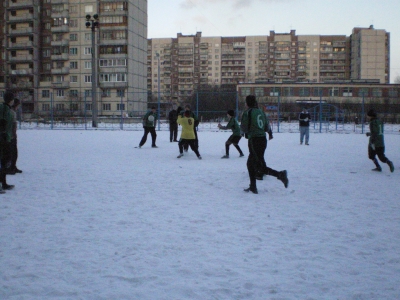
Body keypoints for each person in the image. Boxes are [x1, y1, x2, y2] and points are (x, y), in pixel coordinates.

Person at [240, 95, 288, 194]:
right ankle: (253, 186)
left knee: (258, 166)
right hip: (262, 140)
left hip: (254, 140)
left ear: (247, 103)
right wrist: (270, 133)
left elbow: (244, 128)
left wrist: (241, 133)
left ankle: (280, 174)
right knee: (250, 164)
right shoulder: (261, 112)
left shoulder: (248, 113)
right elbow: (267, 125)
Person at [0, 91, 16, 193]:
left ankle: (4, 184)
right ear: (10, 100)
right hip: (3, 138)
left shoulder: (8, 109)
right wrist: (3, 133)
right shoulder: (3, 108)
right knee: (4, 160)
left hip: (7, 138)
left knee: (5, 161)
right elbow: (2, 121)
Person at [8, 98, 22, 174]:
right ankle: (10, 168)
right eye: (18, 105)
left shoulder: (13, 112)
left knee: (14, 152)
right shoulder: (11, 112)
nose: (18, 107)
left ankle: (13, 166)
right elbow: (11, 124)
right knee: (12, 152)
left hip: (12, 135)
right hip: (10, 135)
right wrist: (13, 134)